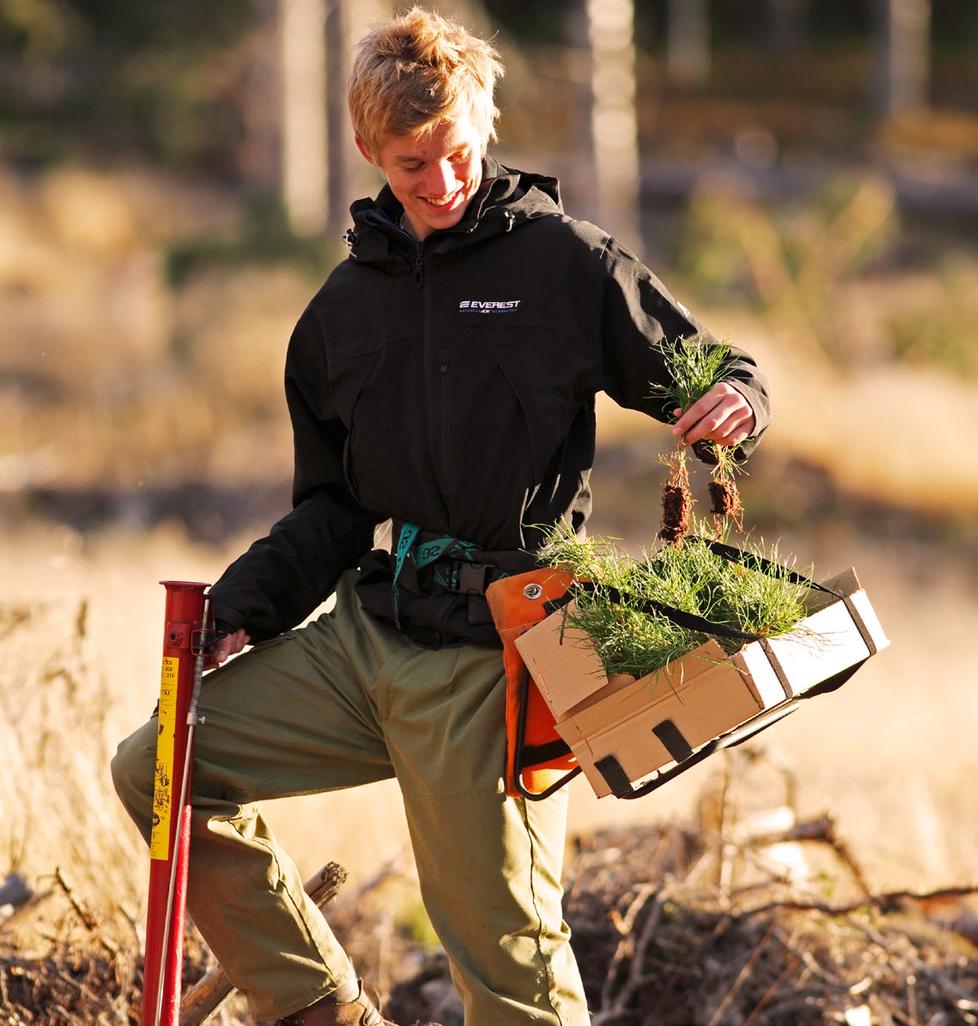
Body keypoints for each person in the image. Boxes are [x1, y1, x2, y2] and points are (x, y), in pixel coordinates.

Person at [111, 8, 770, 1026]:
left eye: (456, 150)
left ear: (486, 121)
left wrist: (740, 398)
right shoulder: (339, 312)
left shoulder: (568, 265)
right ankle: (317, 1008)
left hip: (498, 658)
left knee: (506, 967)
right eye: (412, 162)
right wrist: (246, 607)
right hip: (366, 638)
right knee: (158, 765)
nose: (441, 178)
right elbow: (333, 508)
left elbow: (710, 368)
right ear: (370, 152)